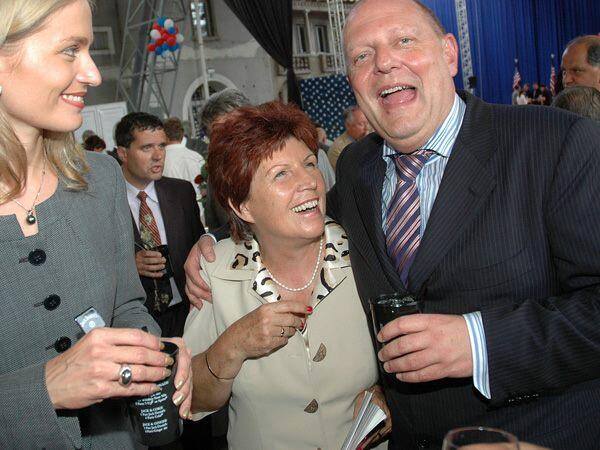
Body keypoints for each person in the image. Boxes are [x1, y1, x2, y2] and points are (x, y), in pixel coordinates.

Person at [185, 0, 600, 448]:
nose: (383, 63)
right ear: (352, 83)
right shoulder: (357, 168)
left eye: (404, 40)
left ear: (449, 54)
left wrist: (479, 342)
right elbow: (291, 218)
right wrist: (215, 242)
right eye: (362, 56)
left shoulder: (555, 144)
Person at [0, 1, 192, 448]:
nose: (93, 74)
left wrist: (153, 352)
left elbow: (126, 306)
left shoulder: (100, 178)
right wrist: (44, 389)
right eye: (70, 50)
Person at [184, 101, 390, 450]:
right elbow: (193, 398)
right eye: (281, 174)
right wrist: (233, 346)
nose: (309, 181)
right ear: (242, 205)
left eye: (309, 164)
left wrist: (391, 396)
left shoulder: (364, 251)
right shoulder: (215, 273)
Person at [116, 112, 206, 338]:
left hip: (190, 310)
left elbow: (199, 246)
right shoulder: (106, 203)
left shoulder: (182, 192)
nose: (158, 156)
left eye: (162, 146)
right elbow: (94, 264)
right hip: (138, 320)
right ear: (123, 153)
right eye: (147, 148)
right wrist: (128, 265)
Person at [199, 88, 252, 231]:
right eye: (216, 135)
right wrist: (211, 238)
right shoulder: (216, 175)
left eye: (231, 129)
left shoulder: (279, 157)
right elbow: (216, 225)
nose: (225, 140)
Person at [162, 116, 206, 210]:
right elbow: (205, 186)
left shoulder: (160, 160)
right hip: (199, 208)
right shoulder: (196, 157)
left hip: (174, 210)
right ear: (182, 135)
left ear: (164, 136)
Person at [327, 104, 370, 170]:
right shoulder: (338, 150)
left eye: (367, 123)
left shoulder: (371, 138)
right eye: (361, 124)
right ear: (348, 125)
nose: (367, 128)